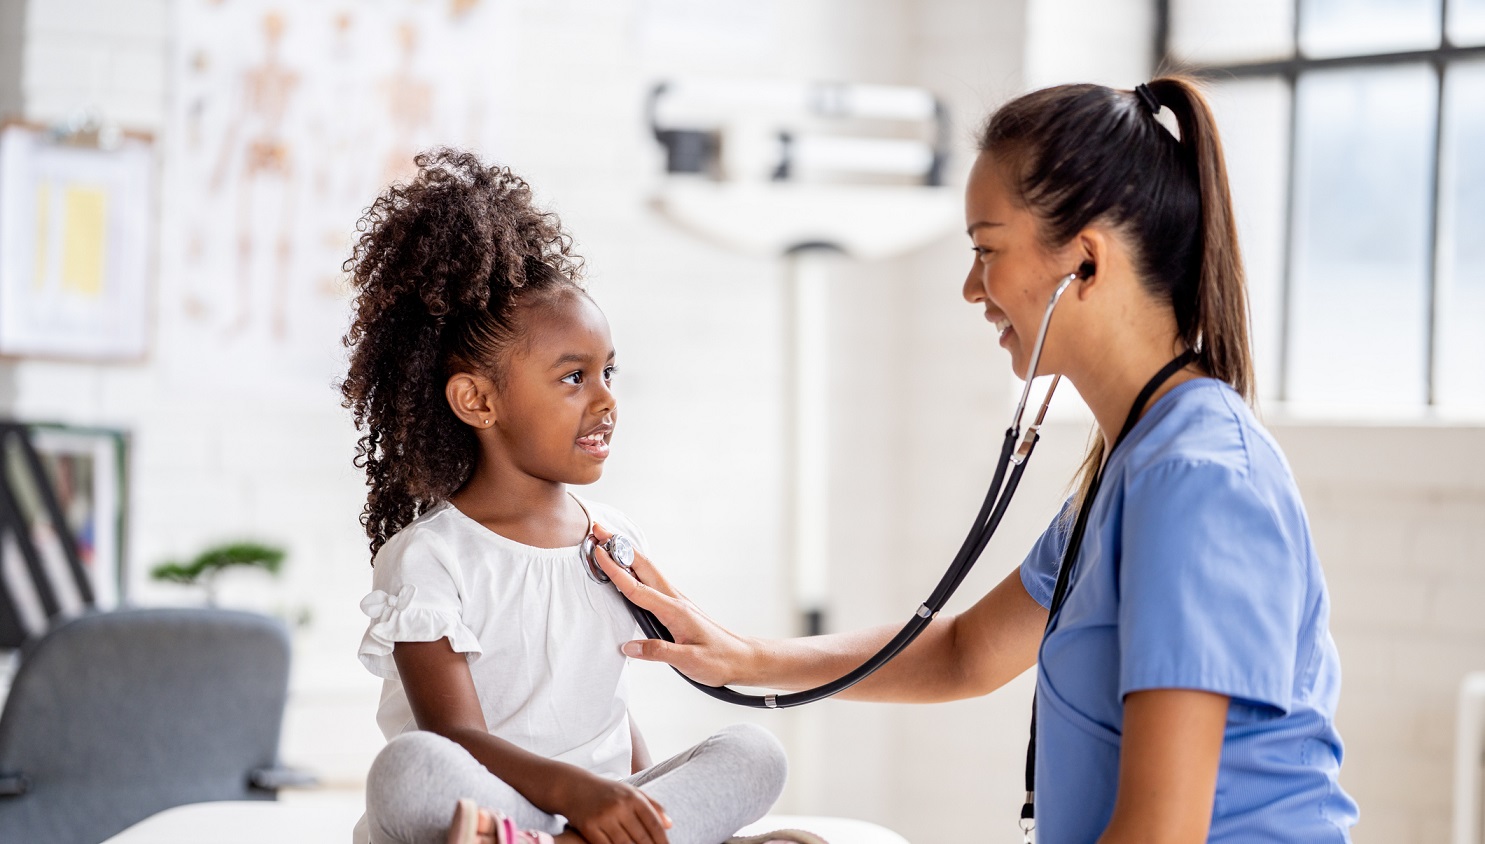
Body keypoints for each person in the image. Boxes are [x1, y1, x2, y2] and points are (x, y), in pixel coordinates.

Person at [591, 78, 1361, 843]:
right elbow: (966, 653)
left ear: (1085, 264)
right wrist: (744, 656)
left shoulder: (1195, 482)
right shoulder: (1139, 463)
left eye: (986, 250)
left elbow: (1159, 832)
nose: (971, 288)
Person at [339, 149, 799, 844]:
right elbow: (455, 733)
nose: (606, 398)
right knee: (410, 771)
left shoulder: (610, 541)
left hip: (585, 808)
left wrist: (634, 804)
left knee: (755, 752)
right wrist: (579, 796)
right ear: (476, 399)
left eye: (608, 371)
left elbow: (608, 718)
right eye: (572, 378)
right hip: (504, 803)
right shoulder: (430, 559)